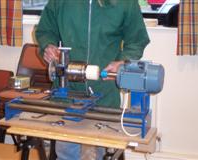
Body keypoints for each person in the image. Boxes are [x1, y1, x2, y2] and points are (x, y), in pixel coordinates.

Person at [36, 0, 150, 159]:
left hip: (105, 87)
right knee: (66, 151)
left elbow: (137, 40)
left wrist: (123, 61)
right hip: (68, 90)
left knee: (107, 150)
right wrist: (48, 46)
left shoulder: (126, 3)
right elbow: (45, 30)